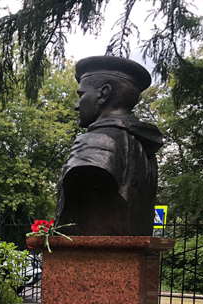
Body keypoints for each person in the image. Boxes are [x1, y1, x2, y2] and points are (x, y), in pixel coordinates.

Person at [55, 56, 163, 236]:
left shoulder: (96, 142)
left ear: (103, 94)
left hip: (92, 249)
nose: (77, 105)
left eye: (81, 95)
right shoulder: (143, 147)